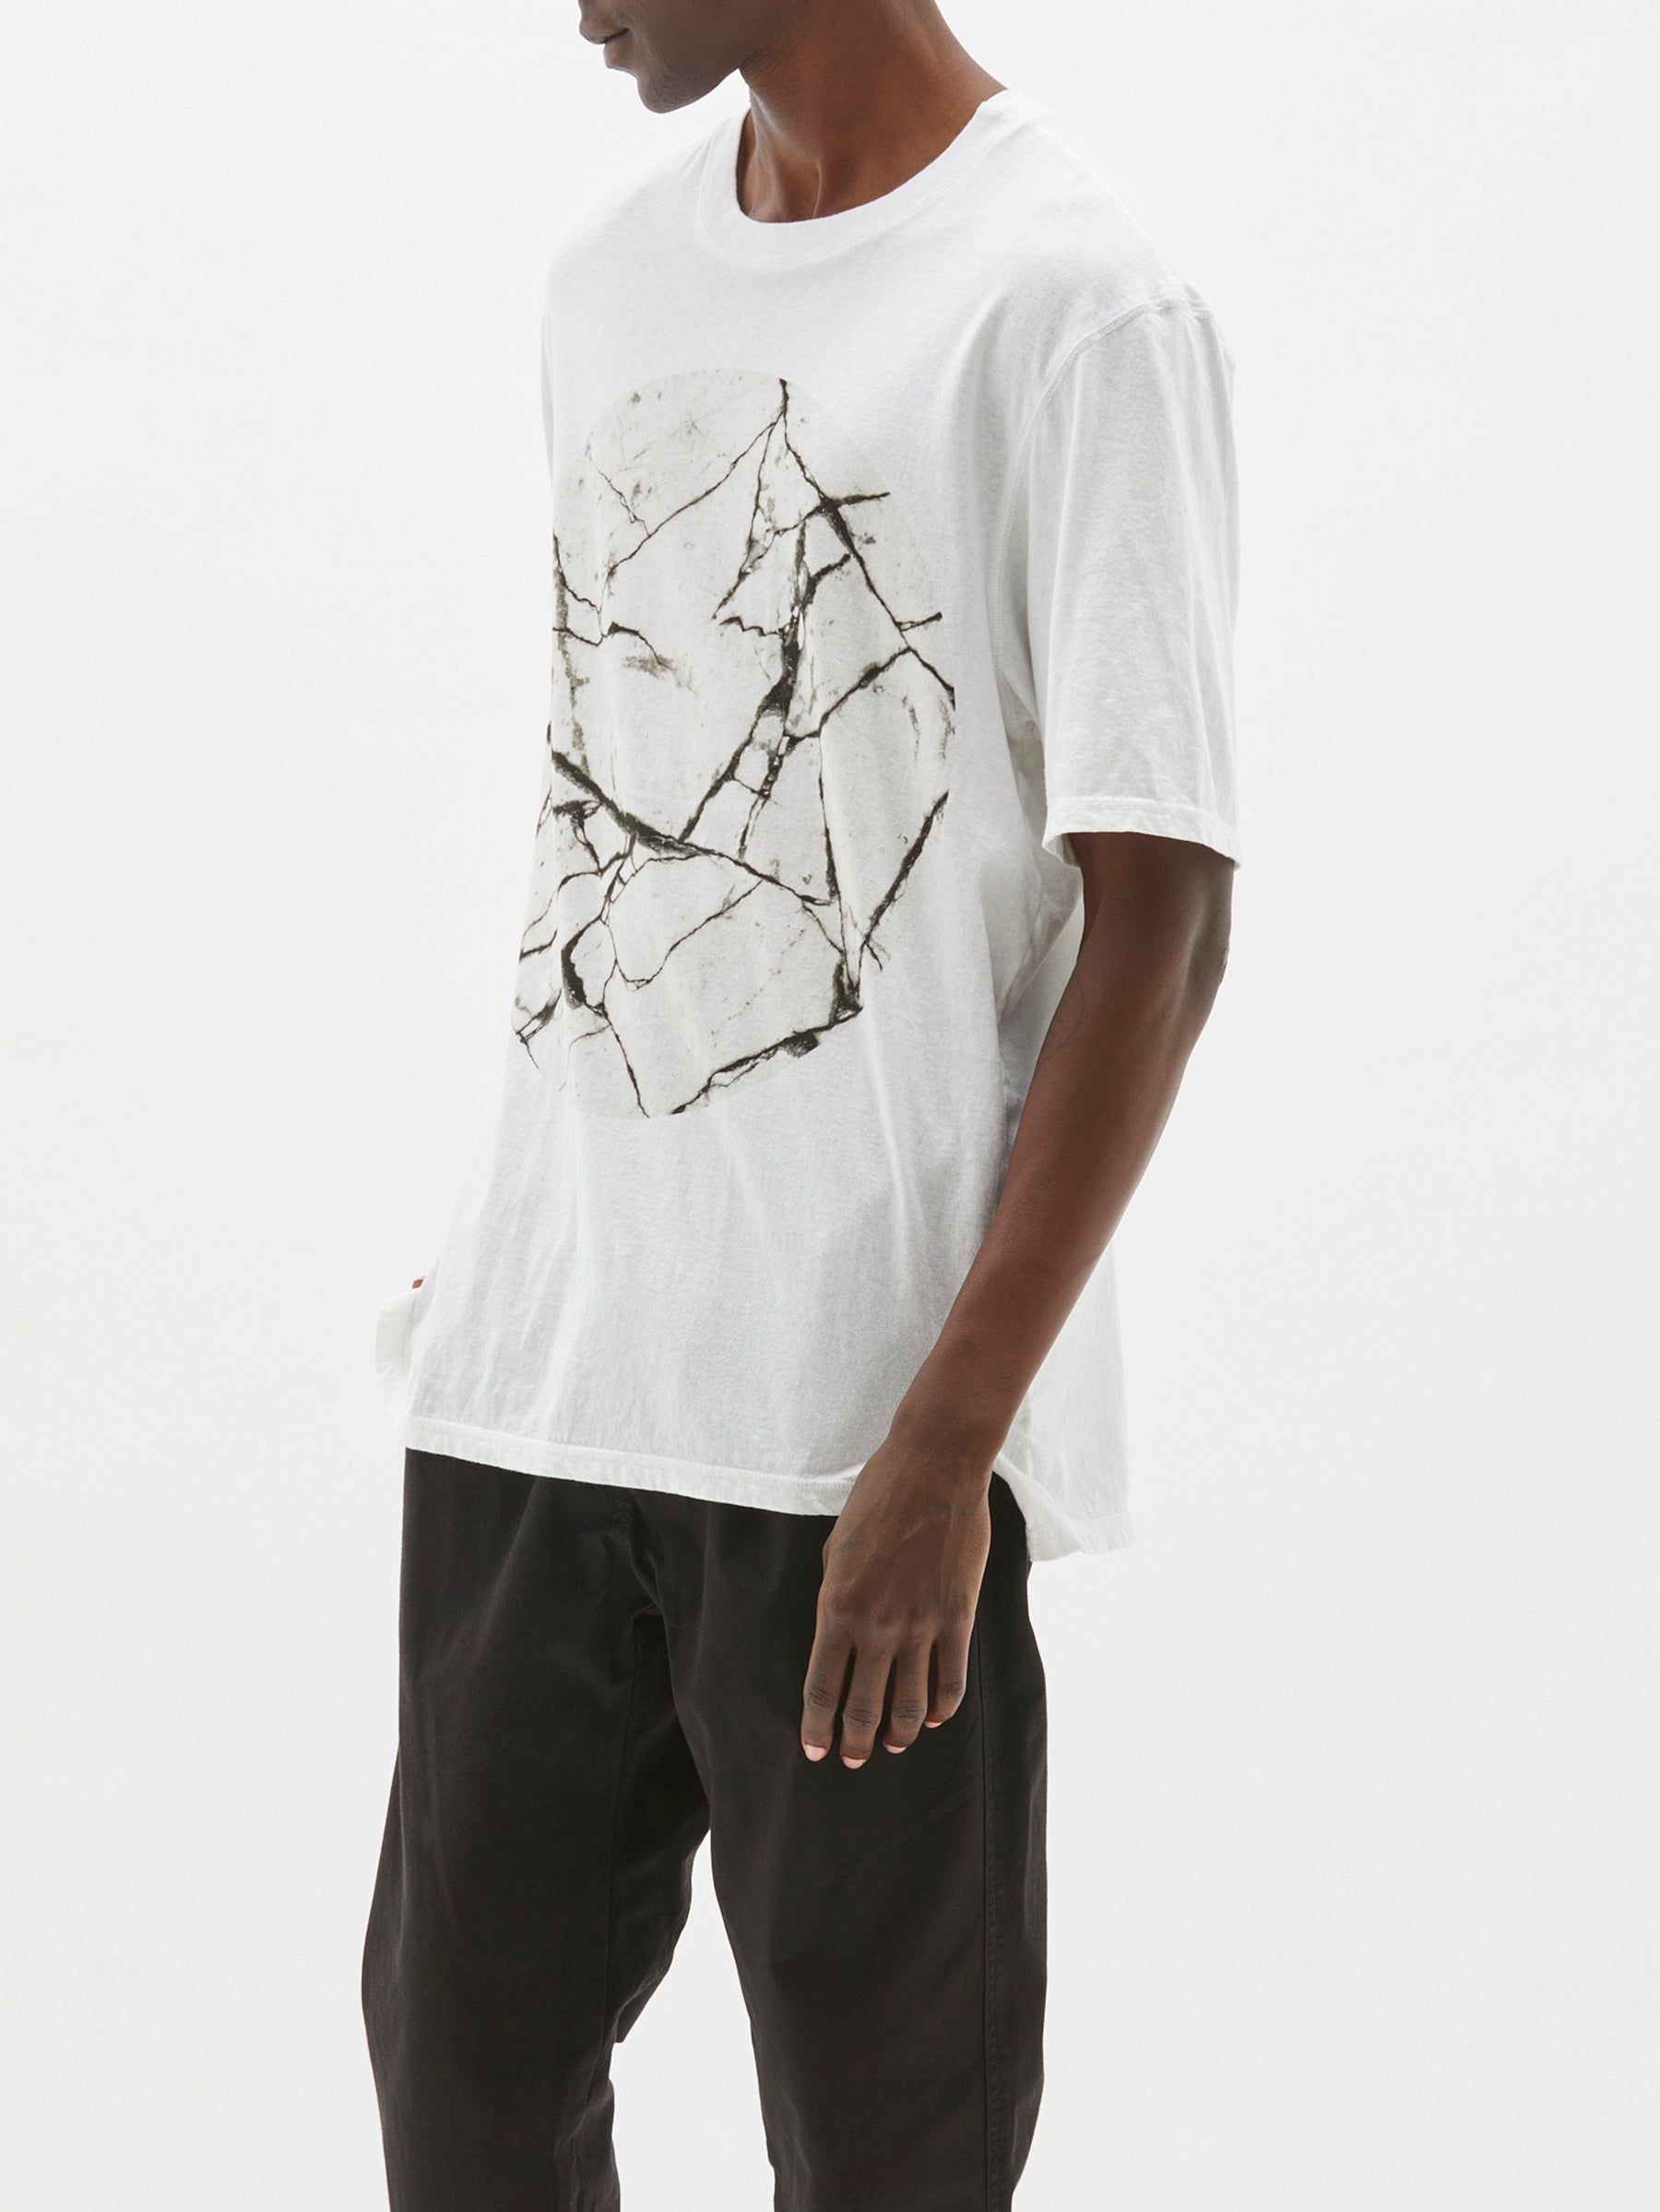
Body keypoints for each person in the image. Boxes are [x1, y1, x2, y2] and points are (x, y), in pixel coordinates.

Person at [362, 1, 1240, 2206]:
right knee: (459, 2113)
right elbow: (611, 796)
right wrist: (526, 1247)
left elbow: (1159, 922)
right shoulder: (606, 279)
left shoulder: (1076, 303)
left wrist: (950, 1445)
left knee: (889, 2157)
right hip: (541, 1393)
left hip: (859, 1442)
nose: (577, 9)